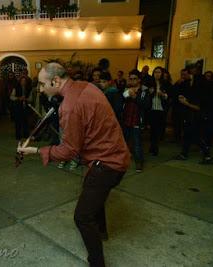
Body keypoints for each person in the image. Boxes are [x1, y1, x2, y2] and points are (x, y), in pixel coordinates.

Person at [18, 63, 130, 267]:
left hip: (107, 164)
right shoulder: (85, 86)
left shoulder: (70, 107)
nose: (40, 89)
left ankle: (97, 263)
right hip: (117, 154)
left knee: (82, 216)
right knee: (94, 195)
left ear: (56, 81)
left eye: (42, 84)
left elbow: (69, 151)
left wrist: (36, 151)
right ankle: (102, 232)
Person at [122, 69, 151, 172]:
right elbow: (122, 102)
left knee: (137, 143)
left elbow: (146, 105)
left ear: (139, 80)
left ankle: (139, 162)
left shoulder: (144, 91)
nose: (132, 81)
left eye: (135, 79)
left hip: (137, 120)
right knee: (124, 142)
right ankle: (124, 160)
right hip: (126, 120)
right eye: (130, 79)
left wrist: (135, 97)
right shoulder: (126, 89)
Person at [148, 67, 169, 156]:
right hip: (152, 109)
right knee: (152, 129)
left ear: (162, 73)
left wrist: (163, 95)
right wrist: (150, 92)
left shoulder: (165, 83)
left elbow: (168, 96)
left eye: (159, 72)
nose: (157, 74)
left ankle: (155, 147)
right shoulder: (150, 83)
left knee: (157, 130)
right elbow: (145, 94)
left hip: (160, 109)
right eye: (155, 72)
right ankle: (152, 146)